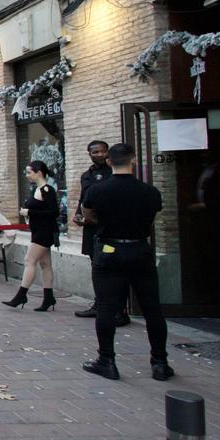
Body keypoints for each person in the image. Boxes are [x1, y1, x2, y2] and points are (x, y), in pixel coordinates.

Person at [80, 143, 172, 381]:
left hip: (109, 250)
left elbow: (88, 215)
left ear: (109, 161)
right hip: (140, 249)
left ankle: (106, 360)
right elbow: (151, 218)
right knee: (152, 309)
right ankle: (160, 362)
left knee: (107, 308)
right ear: (133, 161)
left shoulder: (97, 190)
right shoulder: (150, 192)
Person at [72, 141, 129, 326]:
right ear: (89, 153)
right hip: (91, 228)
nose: (99, 154)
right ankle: (100, 304)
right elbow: (83, 198)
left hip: (109, 227)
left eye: (103, 151)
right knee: (96, 266)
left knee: (114, 270)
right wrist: (78, 215)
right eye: (95, 152)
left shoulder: (112, 174)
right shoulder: (86, 175)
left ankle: (120, 310)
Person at [3, 161, 60, 311]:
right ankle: (48, 298)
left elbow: (54, 212)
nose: (27, 175)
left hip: (44, 231)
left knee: (29, 260)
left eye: (29, 172)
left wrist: (29, 212)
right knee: (45, 264)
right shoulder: (37, 189)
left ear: (39, 172)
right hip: (38, 230)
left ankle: (21, 295)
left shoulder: (47, 190)